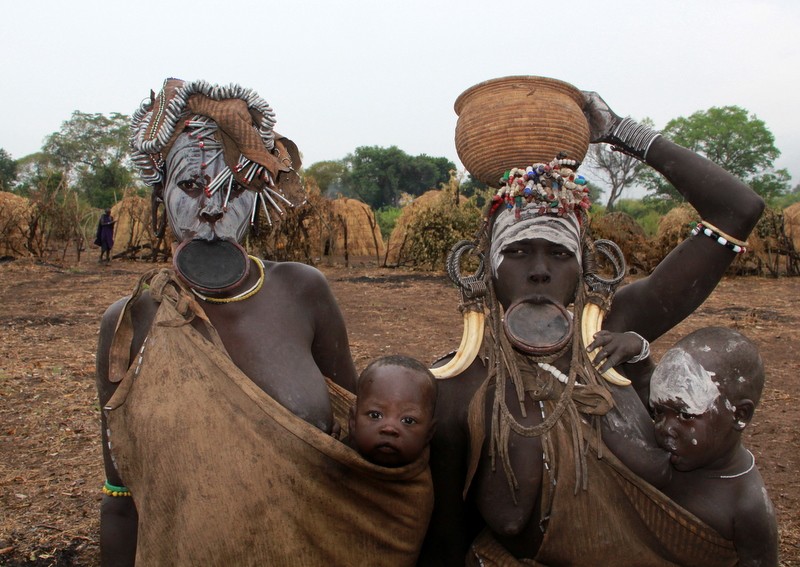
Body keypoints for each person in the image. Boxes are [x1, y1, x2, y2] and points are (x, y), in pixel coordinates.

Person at [419, 87, 765, 566]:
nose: (539, 271)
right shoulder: (458, 384)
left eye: (559, 253)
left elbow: (737, 211)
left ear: (588, 266)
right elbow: (446, 535)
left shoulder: (616, 334)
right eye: (517, 251)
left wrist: (623, 133)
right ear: (484, 268)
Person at [95, 79, 431, 566]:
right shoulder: (129, 324)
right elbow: (120, 498)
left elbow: (356, 452)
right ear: (159, 196)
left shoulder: (303, 292)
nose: (212, 207)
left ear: (258, 198)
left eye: (234, 189)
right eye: (190, 186)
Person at [603, 326, 778, 566]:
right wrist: (638, 352)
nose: (665, 427)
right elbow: (647, 384)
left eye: (685, 415)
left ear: (739, 415)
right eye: (658, 412)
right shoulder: (676, 448)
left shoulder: (748, 506)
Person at [347, 355, 438, 468]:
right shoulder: (332, 459)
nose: (389, 429)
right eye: (375, 415)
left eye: (408, 421)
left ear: (429, 433)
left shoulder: (424, 481)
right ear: (352, 422)